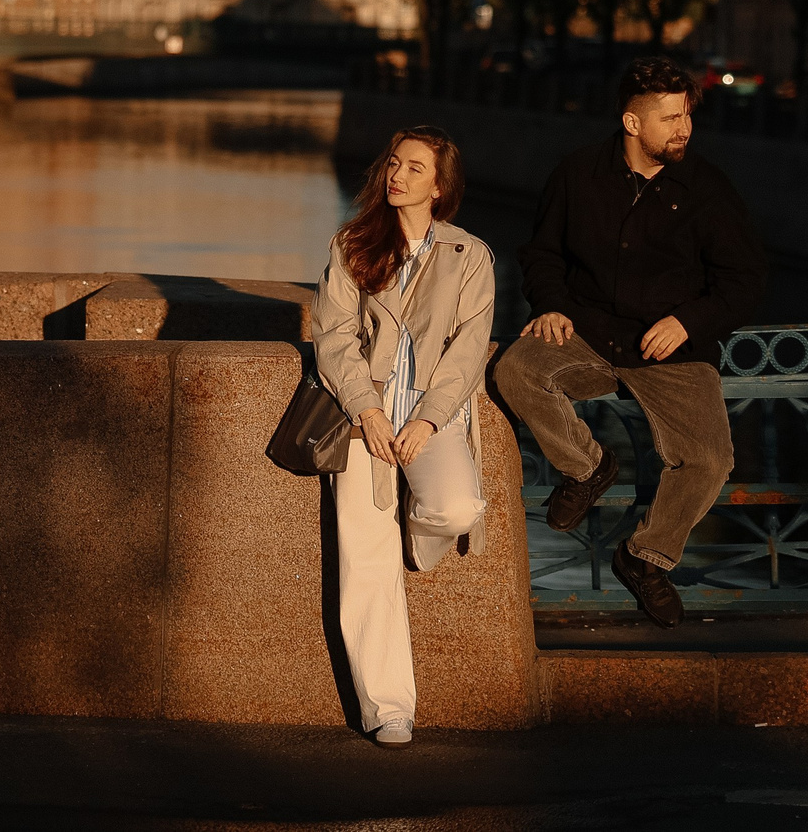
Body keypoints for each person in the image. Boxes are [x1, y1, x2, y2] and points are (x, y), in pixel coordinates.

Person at [491, 56, 765, 628]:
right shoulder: (576, 174)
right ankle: (588, 466)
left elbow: (745, 282)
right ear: (633, 123)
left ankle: (644, 558)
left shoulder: (709, 190)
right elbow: (542, 255)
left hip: (673, 351)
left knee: (711, 459)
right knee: (514, 370)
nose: (683, 128)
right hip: (588, 333)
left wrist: (689, 321)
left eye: (686, 115)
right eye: (669, 118)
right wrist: (552, 306)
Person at [313, 126, 496, 748]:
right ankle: (388, 707)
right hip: (365, 416)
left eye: (416, 168)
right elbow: (333, 335)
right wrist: (366, 409)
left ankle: (415, 542)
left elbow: (469, 351)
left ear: (439, 186)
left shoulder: (470, 256)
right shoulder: (353, 243)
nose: (398, 176)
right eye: (394, 163)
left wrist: (426, 420)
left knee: (456, 506)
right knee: (364, 560)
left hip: (430, 416)